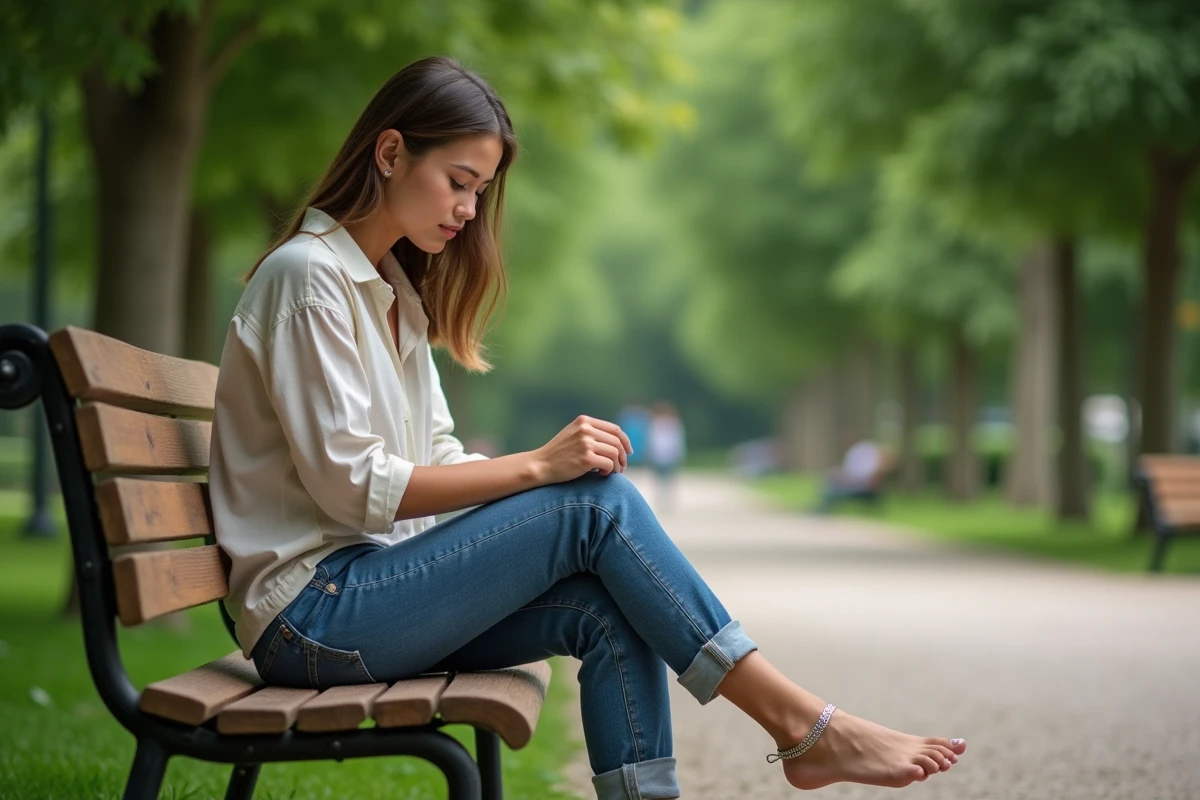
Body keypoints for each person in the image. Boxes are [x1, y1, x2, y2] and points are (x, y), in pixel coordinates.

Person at [209, 57, 966, 800]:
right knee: (592, 508)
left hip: (369, 593)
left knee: (608, 600)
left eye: (480, 191)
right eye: (459, 183)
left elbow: (434, 455)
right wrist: (540, 473)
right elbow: (351, 489)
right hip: (312, 616)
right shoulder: (309, 278)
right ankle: (802, 726)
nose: (469, 210)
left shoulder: (393, 296)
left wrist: (537, 494)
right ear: (391, 152)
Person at [813, 437, 889, 514]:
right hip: (857, 485)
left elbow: (864, 480)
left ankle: (822, 509)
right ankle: (822, 507)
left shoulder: (873, 463)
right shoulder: (867, 458)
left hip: (862, 489)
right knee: (831, 481)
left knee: (834, 491)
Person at [647, 401, 686, 513]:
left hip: (667, 455)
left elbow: (677, 439)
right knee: (661, 480)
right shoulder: (657, 423)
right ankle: (663, 501)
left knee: (666, 480)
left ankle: (666, 501)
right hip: (660, 455)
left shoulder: (671, 423)